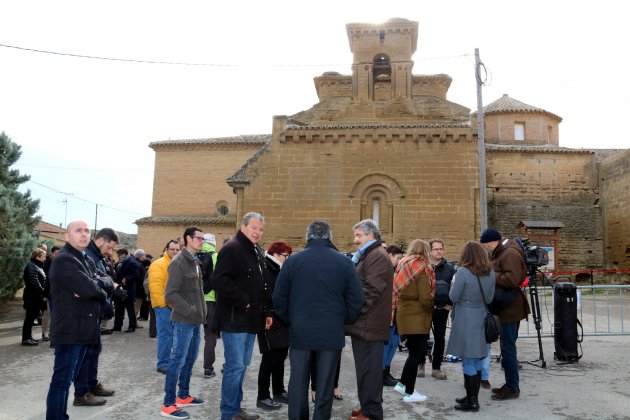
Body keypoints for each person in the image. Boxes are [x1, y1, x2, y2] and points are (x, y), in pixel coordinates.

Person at [273, 220, 364, 420]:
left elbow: (279, 299)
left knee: (297, 383)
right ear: (329, 236)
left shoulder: (293, 261)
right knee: (325, 386)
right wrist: (342, 320)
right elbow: (357, 298)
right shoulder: (344, 262)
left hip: (300, 332)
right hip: (330, 333)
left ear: (308, 236)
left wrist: (292, 320)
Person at [45, 221, 108, 420]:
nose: (84, 234)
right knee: (62, 381)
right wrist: (97, 288)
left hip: (83, 329)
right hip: (70, 330)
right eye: (78, 230)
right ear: (67, 236)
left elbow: (100, 281)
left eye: (87, 231)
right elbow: (92, 288)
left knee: (68, 378)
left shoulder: (83, 258)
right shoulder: (65, 260)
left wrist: (97, 286)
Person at [212, 212, 266, 420]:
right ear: (243, 226)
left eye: (261, 230)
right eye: (254, 227)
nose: (258, 232)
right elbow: (219, 280)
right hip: (234, 320)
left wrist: (265, 311)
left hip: (251, 320)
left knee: (242, 366)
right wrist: (243, 300)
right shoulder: (232, 248)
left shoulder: (253, 250)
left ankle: (236, 409)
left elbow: (260, 284)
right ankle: (228, 413)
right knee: (234, 368)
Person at [346, 219, 393, 420]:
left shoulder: (377, 257)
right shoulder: (369, 255)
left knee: (370, 372)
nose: (355, 240)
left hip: (368, 325)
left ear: (370, 235)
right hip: (365, 324)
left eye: (358, 235)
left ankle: (372, 412)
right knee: (365, 370)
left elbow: (370, 291)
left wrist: (351, 312)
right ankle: (367, 406)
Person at [160, 226, 207, 419]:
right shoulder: (178, 262)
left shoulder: (194, 261)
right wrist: (190, 310)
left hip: (195, 321)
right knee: (177, 360)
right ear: (188, 238)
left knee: (190, 359)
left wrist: (200, 312)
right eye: (198, 238)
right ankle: (168, 404)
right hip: (183, 321)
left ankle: (183, 395)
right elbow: (170, 295)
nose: (201, 241)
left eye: (203, 239)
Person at [480, 228, 530, 401]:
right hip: (506, 307)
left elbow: (513, 278)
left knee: (508, 349)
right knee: (507, 348)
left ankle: (512, 388)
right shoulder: (503, 251)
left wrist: (489, 275)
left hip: (510, 309)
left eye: (486, 245)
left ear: (492, 242)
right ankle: (510, 384)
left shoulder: (509, 253)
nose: (486, 249)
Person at [445, 241, 496, 411]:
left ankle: (473, 401)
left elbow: (453, 296)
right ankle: (470, 396)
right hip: (480, 315)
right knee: (476, 358)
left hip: (466, 318)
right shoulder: (491, 273)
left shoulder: (463, 272)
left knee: (468, 360)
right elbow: (489, 299)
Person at [74, 228, 120, 407]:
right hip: (87, 313)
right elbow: (93, 287)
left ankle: (91, 386)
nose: (111, 252)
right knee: (86, 355)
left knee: (94, 352)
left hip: (95, 313)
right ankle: (81, 393)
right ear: (100, 241)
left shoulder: (96, 257)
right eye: (110, 247)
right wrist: (106, 303)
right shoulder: (89, 257)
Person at [392, 239, 434, 403]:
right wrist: (432, 305)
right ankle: (409, 392)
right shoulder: (422, 268)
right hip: (417, 316)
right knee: (416, 355)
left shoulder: (402, 264)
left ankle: (403, 384)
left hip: (404, 313)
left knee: (412, 353)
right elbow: (425, 297)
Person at [256, 240, 292, 411]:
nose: (288, 259)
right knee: (269, 360)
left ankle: (278, 390)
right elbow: (267, 295)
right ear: (276, 255)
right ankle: (262, 396)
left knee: (280, 358)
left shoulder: (278, 268)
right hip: (269, 320)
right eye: (286, 256)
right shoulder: (267, 268)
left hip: (281, 321)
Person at [423, 239, 456, 380]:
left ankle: (436, 368)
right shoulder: (423, 266)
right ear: (429, 251)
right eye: (436, 249)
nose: (439, 251)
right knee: (422, 337)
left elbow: (454, 287)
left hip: (442, 309)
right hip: (425, 308)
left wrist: (450, 303)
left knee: (440, 338)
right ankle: (420, 364)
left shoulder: (449, 268)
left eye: (441, 248)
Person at [149, 239, 180, 374]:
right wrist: (164, 305)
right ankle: (162, 364)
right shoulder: (158, 264)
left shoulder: (177, 263)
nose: (175, 251)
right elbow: (156, 288)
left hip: (174, 307)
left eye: (177, 249)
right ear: (166, 250)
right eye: (172, 249)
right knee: (165, 336)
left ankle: (169, 362)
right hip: (164, 307)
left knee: (174, 336)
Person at [382, 244, 404, 387]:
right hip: (386, 315)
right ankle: (382, 374)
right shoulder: (385, 272)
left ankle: (386, 371)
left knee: (393, 344)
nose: (399, 261)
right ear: (389, 255)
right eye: (397, 258)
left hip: (394, 315)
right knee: (386, 346)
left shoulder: (394, 271)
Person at [198, 233, 218, 379]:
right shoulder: (216, 256)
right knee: (210, 336)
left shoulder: (193, 255)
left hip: (193, 300)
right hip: (210, 301)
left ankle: (184, 366)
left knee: (190, 336)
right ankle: (208, 368)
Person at [21, 248, 47, 346]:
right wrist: (44, 292)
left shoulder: (36, 265)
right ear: (38, 256)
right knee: (29, 319)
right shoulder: (32, 266)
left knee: (30, 319)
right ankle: (26, 339)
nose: (45, 258)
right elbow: (34, 283)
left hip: (35, 298)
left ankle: (28, 337)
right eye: (43, 256)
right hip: (31, 298)